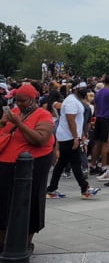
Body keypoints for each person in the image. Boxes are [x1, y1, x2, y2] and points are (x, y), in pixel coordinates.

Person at [0, 83, 55, 253]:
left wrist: (19, 124)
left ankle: (24, 243)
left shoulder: (43, 115)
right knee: (3, 205)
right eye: (16, 100)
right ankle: (2, 244)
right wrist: (2, 123)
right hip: (6, 165)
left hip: (30, 167)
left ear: (33, 99)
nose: (18, 104)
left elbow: (40, 139)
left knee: (29, 204)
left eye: (22, 101)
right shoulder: (14, 113)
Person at [46, 82, 101, 199]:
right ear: (75, 89)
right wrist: (76, 137)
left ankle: (52, 189)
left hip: (69, 136)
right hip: (69, 137)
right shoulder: (71, 101)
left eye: (85, 88)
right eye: (81, 88)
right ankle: (84, 189)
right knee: (75, 163)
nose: (84, 90)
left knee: (62, 163)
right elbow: (71, 120)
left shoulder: (75, 100)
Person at [90, 74, 109, 176]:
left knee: (97, 142)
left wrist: (97, 115)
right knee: (106, 143)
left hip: (99, 118)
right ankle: (104, 166)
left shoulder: (98, 93)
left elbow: (95, 106)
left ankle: (93, 164)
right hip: (107, 118)